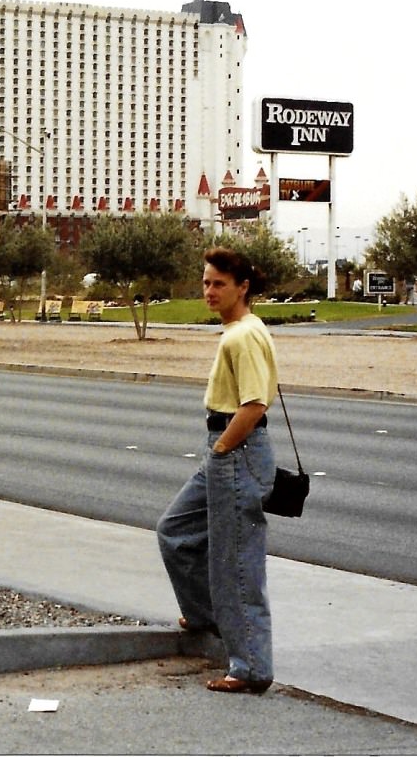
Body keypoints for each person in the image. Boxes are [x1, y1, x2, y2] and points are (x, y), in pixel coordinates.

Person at [157, 247, 278, 694]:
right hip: (228, 449)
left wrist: (224, 448)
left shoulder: (241, 336)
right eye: (206, 282)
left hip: (235, 448)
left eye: (218, 284)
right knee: (174, 530)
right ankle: (209, 617)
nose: (209, 291)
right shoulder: (244, 329)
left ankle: (251, 667)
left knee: (235, 562)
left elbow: (254, 404)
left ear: (242, 287)